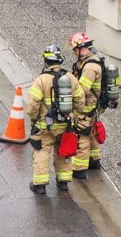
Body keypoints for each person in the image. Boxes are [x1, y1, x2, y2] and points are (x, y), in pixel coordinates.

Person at [25, 45, 86, 194]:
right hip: (65, 125)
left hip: (44, 127)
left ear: (46, 61)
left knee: (41, 152)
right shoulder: (70, 78)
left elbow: (33, 105)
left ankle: (40, 185)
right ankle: (63, 182)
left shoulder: (41, 80)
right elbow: (80, 100)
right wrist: (76, 116)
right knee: (62, 152)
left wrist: (33, 120)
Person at [67, 32, 105, 179]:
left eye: (74, 50)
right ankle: (94, 160)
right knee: (91, 133)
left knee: (81, 135)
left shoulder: (89, 67)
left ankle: (79, 169)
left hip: (87, 106)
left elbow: (82, 91)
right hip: (93, 106)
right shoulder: (92, 60)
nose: (73, 53)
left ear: (80, 48)